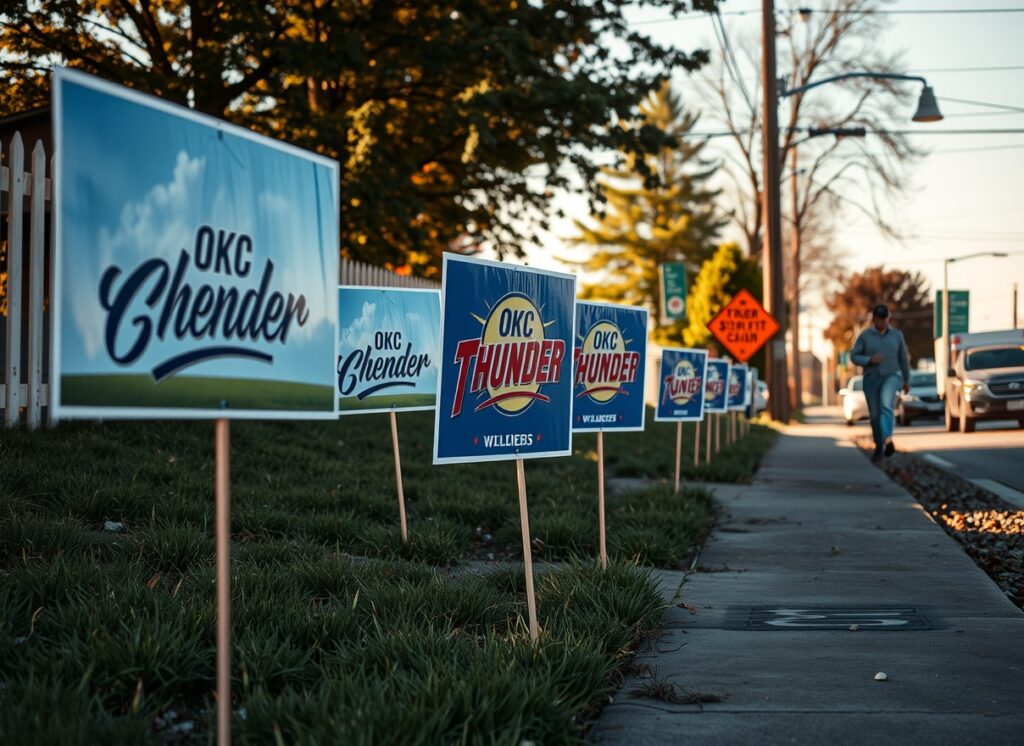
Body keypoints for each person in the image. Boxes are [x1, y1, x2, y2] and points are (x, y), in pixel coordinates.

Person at [850, 304, 911, 462]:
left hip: (891, 376)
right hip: (871, 378)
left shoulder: (896, 335)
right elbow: (854, 356)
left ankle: (888, 439)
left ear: (888, 318)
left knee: (886, 404)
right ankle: (879, 445)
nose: (883, 322)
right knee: (875, 415)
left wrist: (906, 379)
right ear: (874, 319)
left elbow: (903, 358)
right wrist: (869, 359)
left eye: (886, 318)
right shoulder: (865, 336)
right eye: (880, 319)